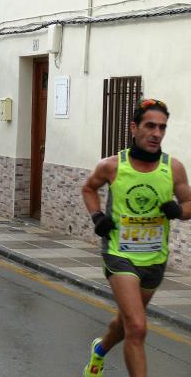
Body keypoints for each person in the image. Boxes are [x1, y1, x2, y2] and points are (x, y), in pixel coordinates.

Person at [81, 99, 191, 377]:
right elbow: (89, 188)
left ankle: (100, 351)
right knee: (138, 327)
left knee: (127, 322)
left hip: (155, 258)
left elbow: (189, 203)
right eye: (150, 126)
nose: (157, 133)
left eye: (162, 128)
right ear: (134, 127)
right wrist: (97, 217)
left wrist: (179, 210)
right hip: (120, 254)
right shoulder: (112, 165)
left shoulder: (173, 168)